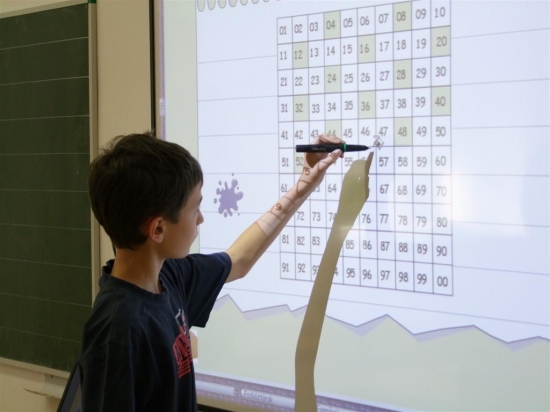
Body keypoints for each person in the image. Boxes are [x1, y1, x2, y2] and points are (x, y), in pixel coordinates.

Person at [79, 131, 344, 411]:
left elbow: (239, 259)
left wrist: (304, 185)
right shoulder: (117, 333)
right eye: (195, 209)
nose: (201, 218)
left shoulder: (169, 277)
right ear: (158, 229)